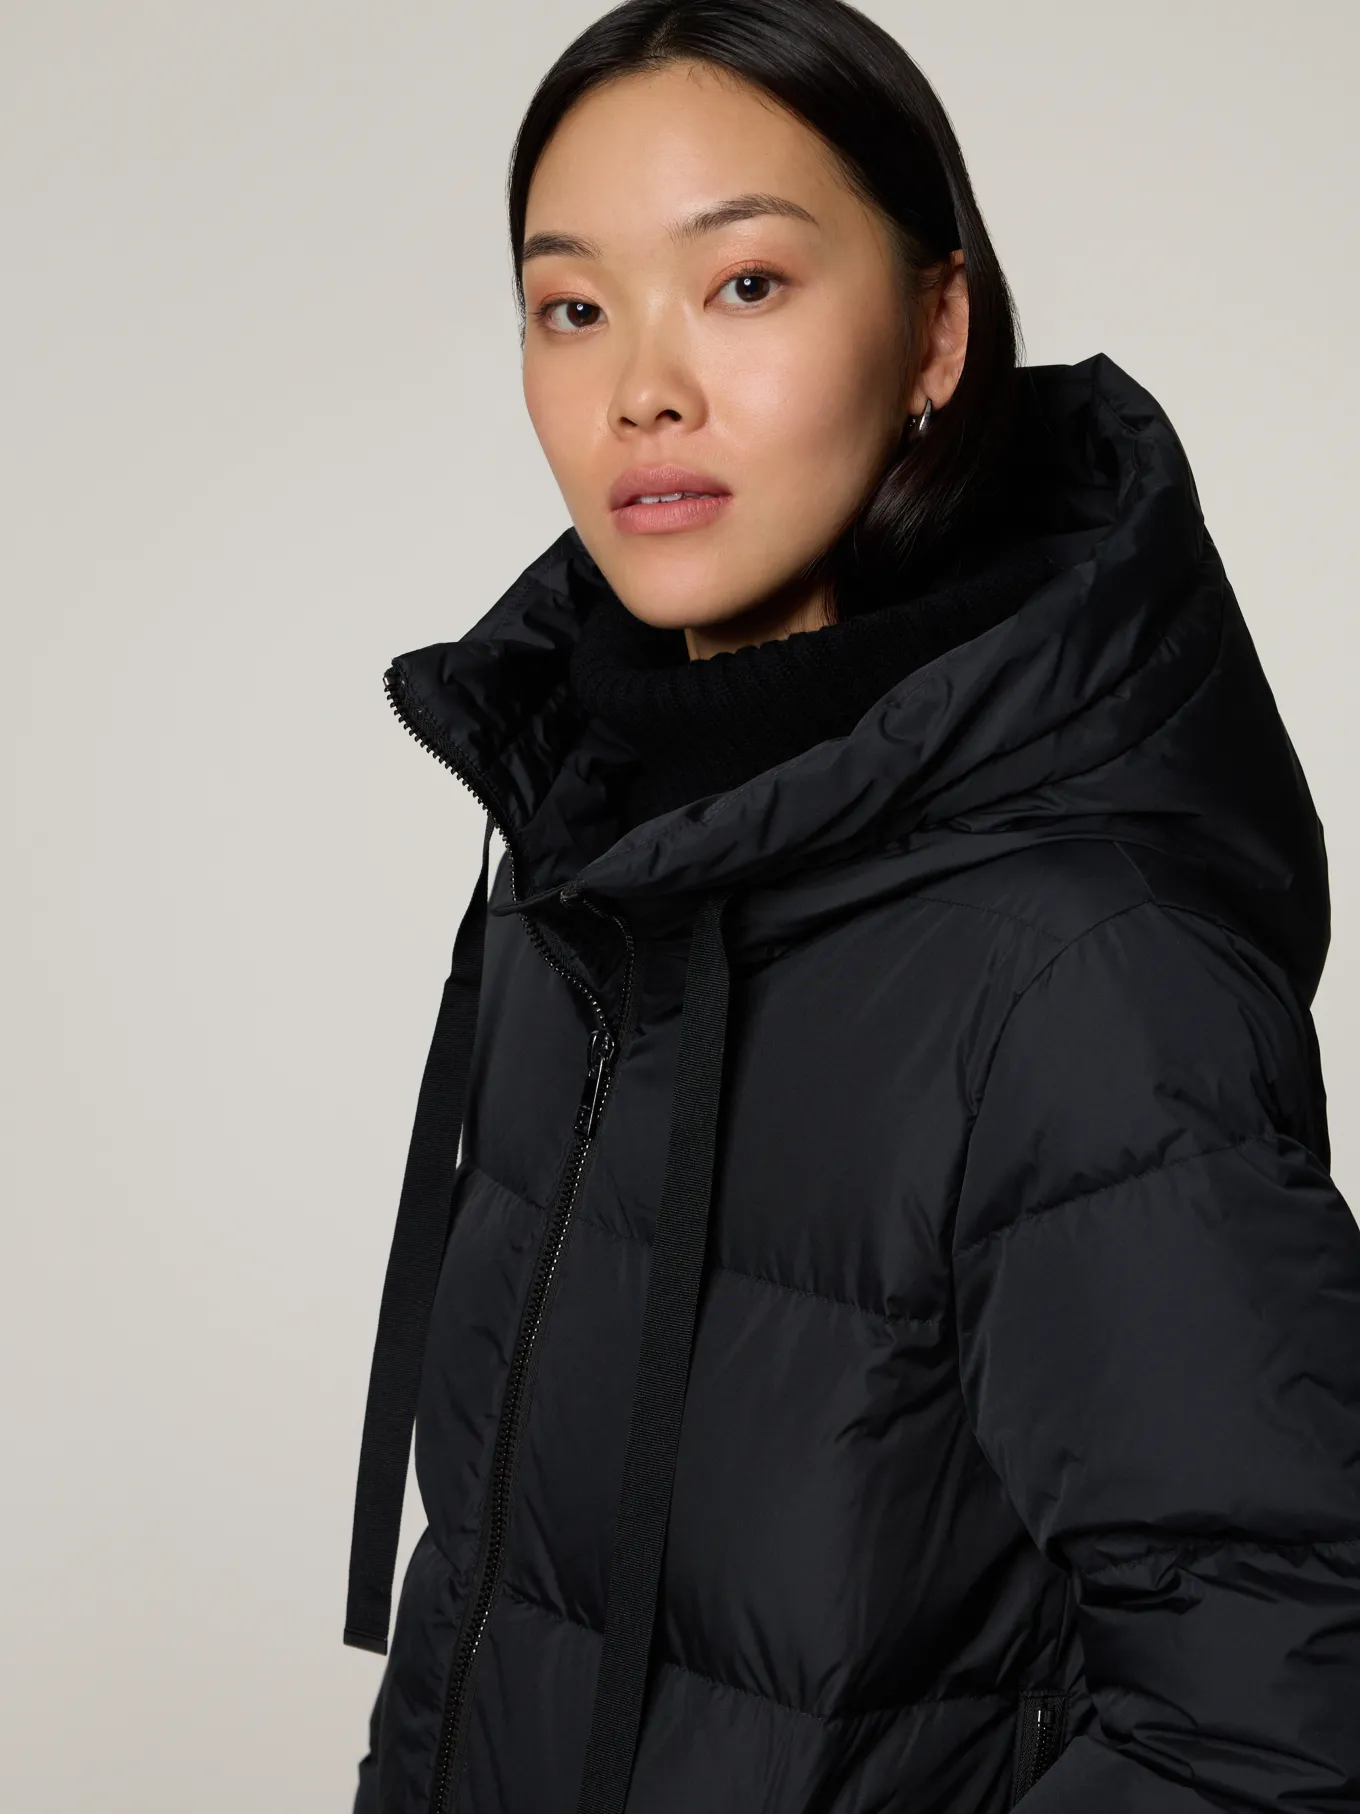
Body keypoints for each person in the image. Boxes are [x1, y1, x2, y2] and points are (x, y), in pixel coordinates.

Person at [344, 2, 1360, 1809]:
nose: (644, 387)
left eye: (744, 285)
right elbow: (503, 1595)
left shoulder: (1078, 972)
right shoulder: (581, 879)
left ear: (935, 333)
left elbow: (1282, 1710)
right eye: (572, 307)